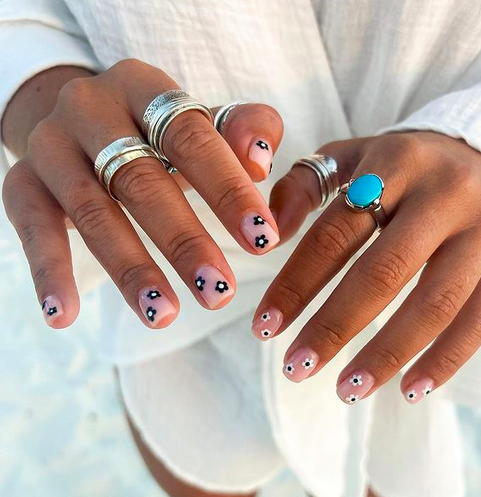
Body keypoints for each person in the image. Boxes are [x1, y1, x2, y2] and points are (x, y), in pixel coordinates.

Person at [1, 0, 481, 496]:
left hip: (445, 253)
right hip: (178, 264)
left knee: (400, 459)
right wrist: (45, 95)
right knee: (197, 459)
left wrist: (471, 131)